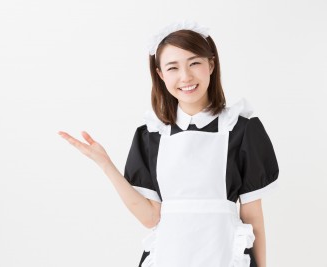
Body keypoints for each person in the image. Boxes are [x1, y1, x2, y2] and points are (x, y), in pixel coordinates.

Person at [58, 20, 279, 267]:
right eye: (173, 67)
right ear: (160, 75)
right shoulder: (151, 135)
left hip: (224, 253)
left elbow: (252, 216)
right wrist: (105, 163)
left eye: (194, 63)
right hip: (169, 255)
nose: (186, 77)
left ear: (211, 64)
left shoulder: (241, 129)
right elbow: (151, 217)